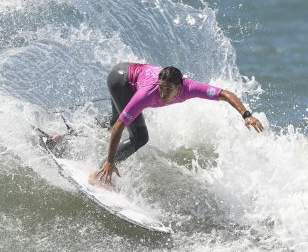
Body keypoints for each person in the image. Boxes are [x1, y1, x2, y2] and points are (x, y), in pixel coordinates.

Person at [89, 63, 264, 186]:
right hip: (121, 80)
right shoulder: (148, 93)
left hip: (127, 73)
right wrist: (110, 161)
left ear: (179, 87)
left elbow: (225, 94)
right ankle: (101, 173)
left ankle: (69, 134)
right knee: (139, 137)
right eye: (161, 87)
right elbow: (120, 125)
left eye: (168, 89)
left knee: (115, 120)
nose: (163, 94)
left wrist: (246, 114)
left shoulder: (191, 88)